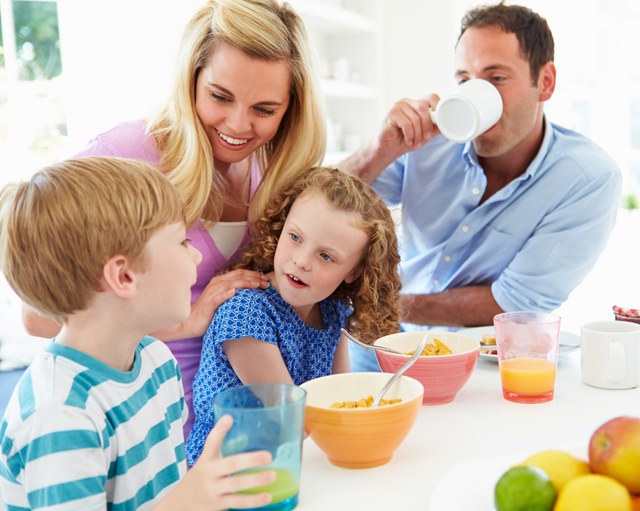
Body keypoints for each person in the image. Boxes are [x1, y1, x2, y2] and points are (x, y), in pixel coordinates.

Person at [20, 0, 326, 436]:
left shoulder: (269, 173)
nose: (238, 126)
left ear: (291, 110)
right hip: (148, 435)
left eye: (264, 110)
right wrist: (187, 322)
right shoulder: (126, 156)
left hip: (246, 432)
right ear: (191, 80)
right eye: (220, 97)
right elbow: (37, 314)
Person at [338, 3, 622, 370]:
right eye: (465, 80)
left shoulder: (586, 179)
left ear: (545, 82)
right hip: (378, 344)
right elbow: (322, 204)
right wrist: (380, 149)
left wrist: (382, 303)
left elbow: (514, 303)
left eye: (496, 78)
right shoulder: (429, 141)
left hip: (481, 362)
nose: (477, 93)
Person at [0, 156, 277, 510]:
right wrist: (189, 499)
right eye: (181, 241)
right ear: (124, 276)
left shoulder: (157, 362)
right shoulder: (59, 416)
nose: (195, 257)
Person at [185, 167, 401, 464]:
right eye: (296, 237)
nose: (301, 261)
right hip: (225, 474)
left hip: (294, 460)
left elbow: (341, 397)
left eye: (325, 256)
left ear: (354, 272)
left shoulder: (332, 311)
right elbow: (293, 420)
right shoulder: (245, 314)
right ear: (283, 226)